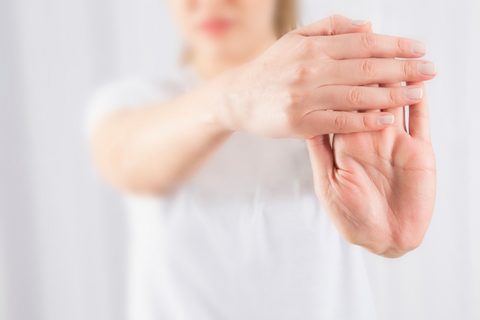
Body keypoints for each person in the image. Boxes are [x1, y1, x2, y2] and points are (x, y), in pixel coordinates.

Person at [86, 0, 437, 318]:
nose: (208, 4)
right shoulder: (138, 99)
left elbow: (383, 234)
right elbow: (120, 159)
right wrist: (234, 99)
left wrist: (388, 235)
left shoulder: (339, 102)